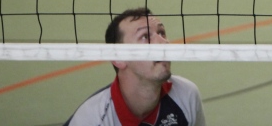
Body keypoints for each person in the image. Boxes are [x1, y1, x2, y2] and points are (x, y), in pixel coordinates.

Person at [65, 7, 206, 126]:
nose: (163, 42)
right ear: (119, 58)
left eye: (161, 32)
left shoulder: (187, 95)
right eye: (145, 36)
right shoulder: (92, 120)